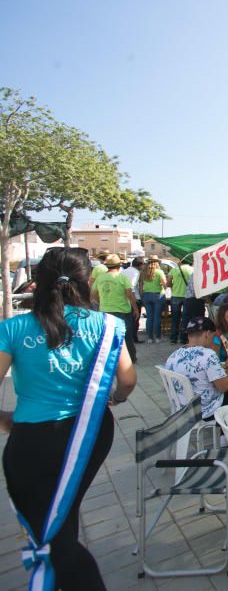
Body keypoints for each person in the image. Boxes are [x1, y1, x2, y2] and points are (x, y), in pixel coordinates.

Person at [0, 247, 137, 590]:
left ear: (37, 283)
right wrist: (116, 399)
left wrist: (4, 419)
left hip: (32, 440)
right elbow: (128, 380)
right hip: (90, 434)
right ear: (89, 282)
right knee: (62, 516)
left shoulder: (13, 328)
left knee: (50, 532)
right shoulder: (108, 325)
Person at [165, 317, 228, 436]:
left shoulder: (174, 355)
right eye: (213, 337)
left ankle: (225, 436)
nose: (213, 341)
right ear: (207, 334)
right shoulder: (208, 355)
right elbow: (224, 387)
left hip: (182, 408)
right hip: (205, 409)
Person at [92, 253, 139, 363]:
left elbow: (93, 294)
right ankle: (131, 358)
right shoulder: (122, 277)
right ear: (119, 266)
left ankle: (109, 359)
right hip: (122, 311)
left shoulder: (100, 278)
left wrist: (102, 302)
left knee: (107, 337)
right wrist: (135, 308)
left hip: (105, 311)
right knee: (126, 336)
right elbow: (129, 294)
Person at [137, 255, 167, 343]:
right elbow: (165, 285)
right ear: (157, 262)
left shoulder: (143, 272)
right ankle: (158, 337)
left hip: (146, 296)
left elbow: (141, 287)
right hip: (158, 295)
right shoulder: (159, 272)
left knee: (149, 317)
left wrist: (142, 296)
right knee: (157, 317)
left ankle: (150, 338)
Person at [167, 257, 193, 344]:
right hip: (188, 296)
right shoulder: (192, 270)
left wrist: (173, 287)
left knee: (175, 318)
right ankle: (183, 339)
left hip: (175, 295)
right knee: (185, 318)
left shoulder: (174, 270)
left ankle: (173, 339)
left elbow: (168, 283)